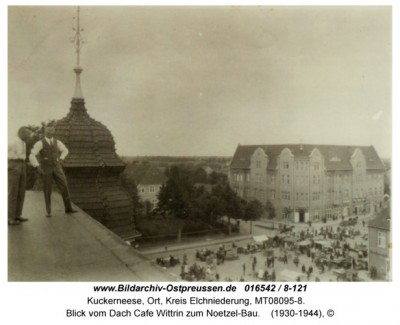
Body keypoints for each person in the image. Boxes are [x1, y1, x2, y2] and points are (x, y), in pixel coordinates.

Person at [29, 126, 77, 217]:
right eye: (48, 131)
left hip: (57, 167)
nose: (50, 132)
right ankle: (48, 211)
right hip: (46, 168)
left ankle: (68, 208)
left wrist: (61, 159)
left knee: (64, 186)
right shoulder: (40, 143)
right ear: (45, 132)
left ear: (54, 131)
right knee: (47, 189)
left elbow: (65, 150)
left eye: (52, 131)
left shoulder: (57, 142)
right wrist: (37, 166)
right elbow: (32, 155)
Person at [8, 127, 33, 225]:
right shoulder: (13, 142)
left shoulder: (23, 143)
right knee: (13, 191)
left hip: (22, 164)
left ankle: (17, 215)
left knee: (21, 190)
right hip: (14, 165)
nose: (29, 136)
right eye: (27, 134)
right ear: (21, 133)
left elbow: (22, 156)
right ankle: (10, 218)